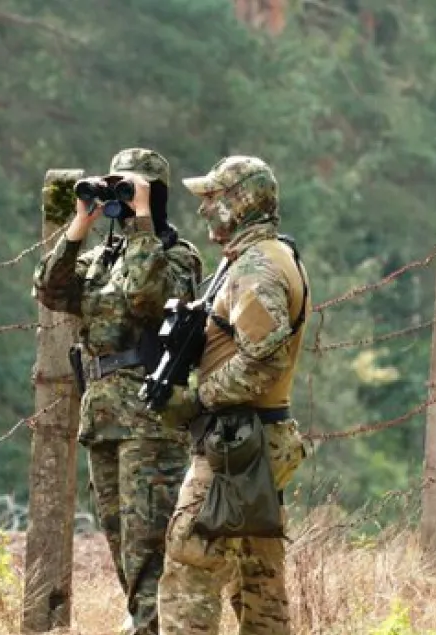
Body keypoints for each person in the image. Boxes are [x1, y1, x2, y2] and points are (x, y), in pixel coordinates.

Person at [33, 148, 205, 635]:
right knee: (122, 554)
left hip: (149, 421)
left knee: (149, 552)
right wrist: (79, 224)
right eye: (118, 190)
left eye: (131, 189)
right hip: (104, 417)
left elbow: (146, 299)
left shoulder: (176, 254)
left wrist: (143, 222)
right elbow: (49, 289)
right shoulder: (99, 259)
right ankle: (145, 626)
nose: (123, 200)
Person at [154, 155, 312, 635]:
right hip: (257, 438)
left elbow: (264, 361)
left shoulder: (257, 267)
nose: (204, 211)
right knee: (257, 579)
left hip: (239, 443)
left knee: (189, 562)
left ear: (239, 205)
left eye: (214, 200)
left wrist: (198, 398)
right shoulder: (264, 257)